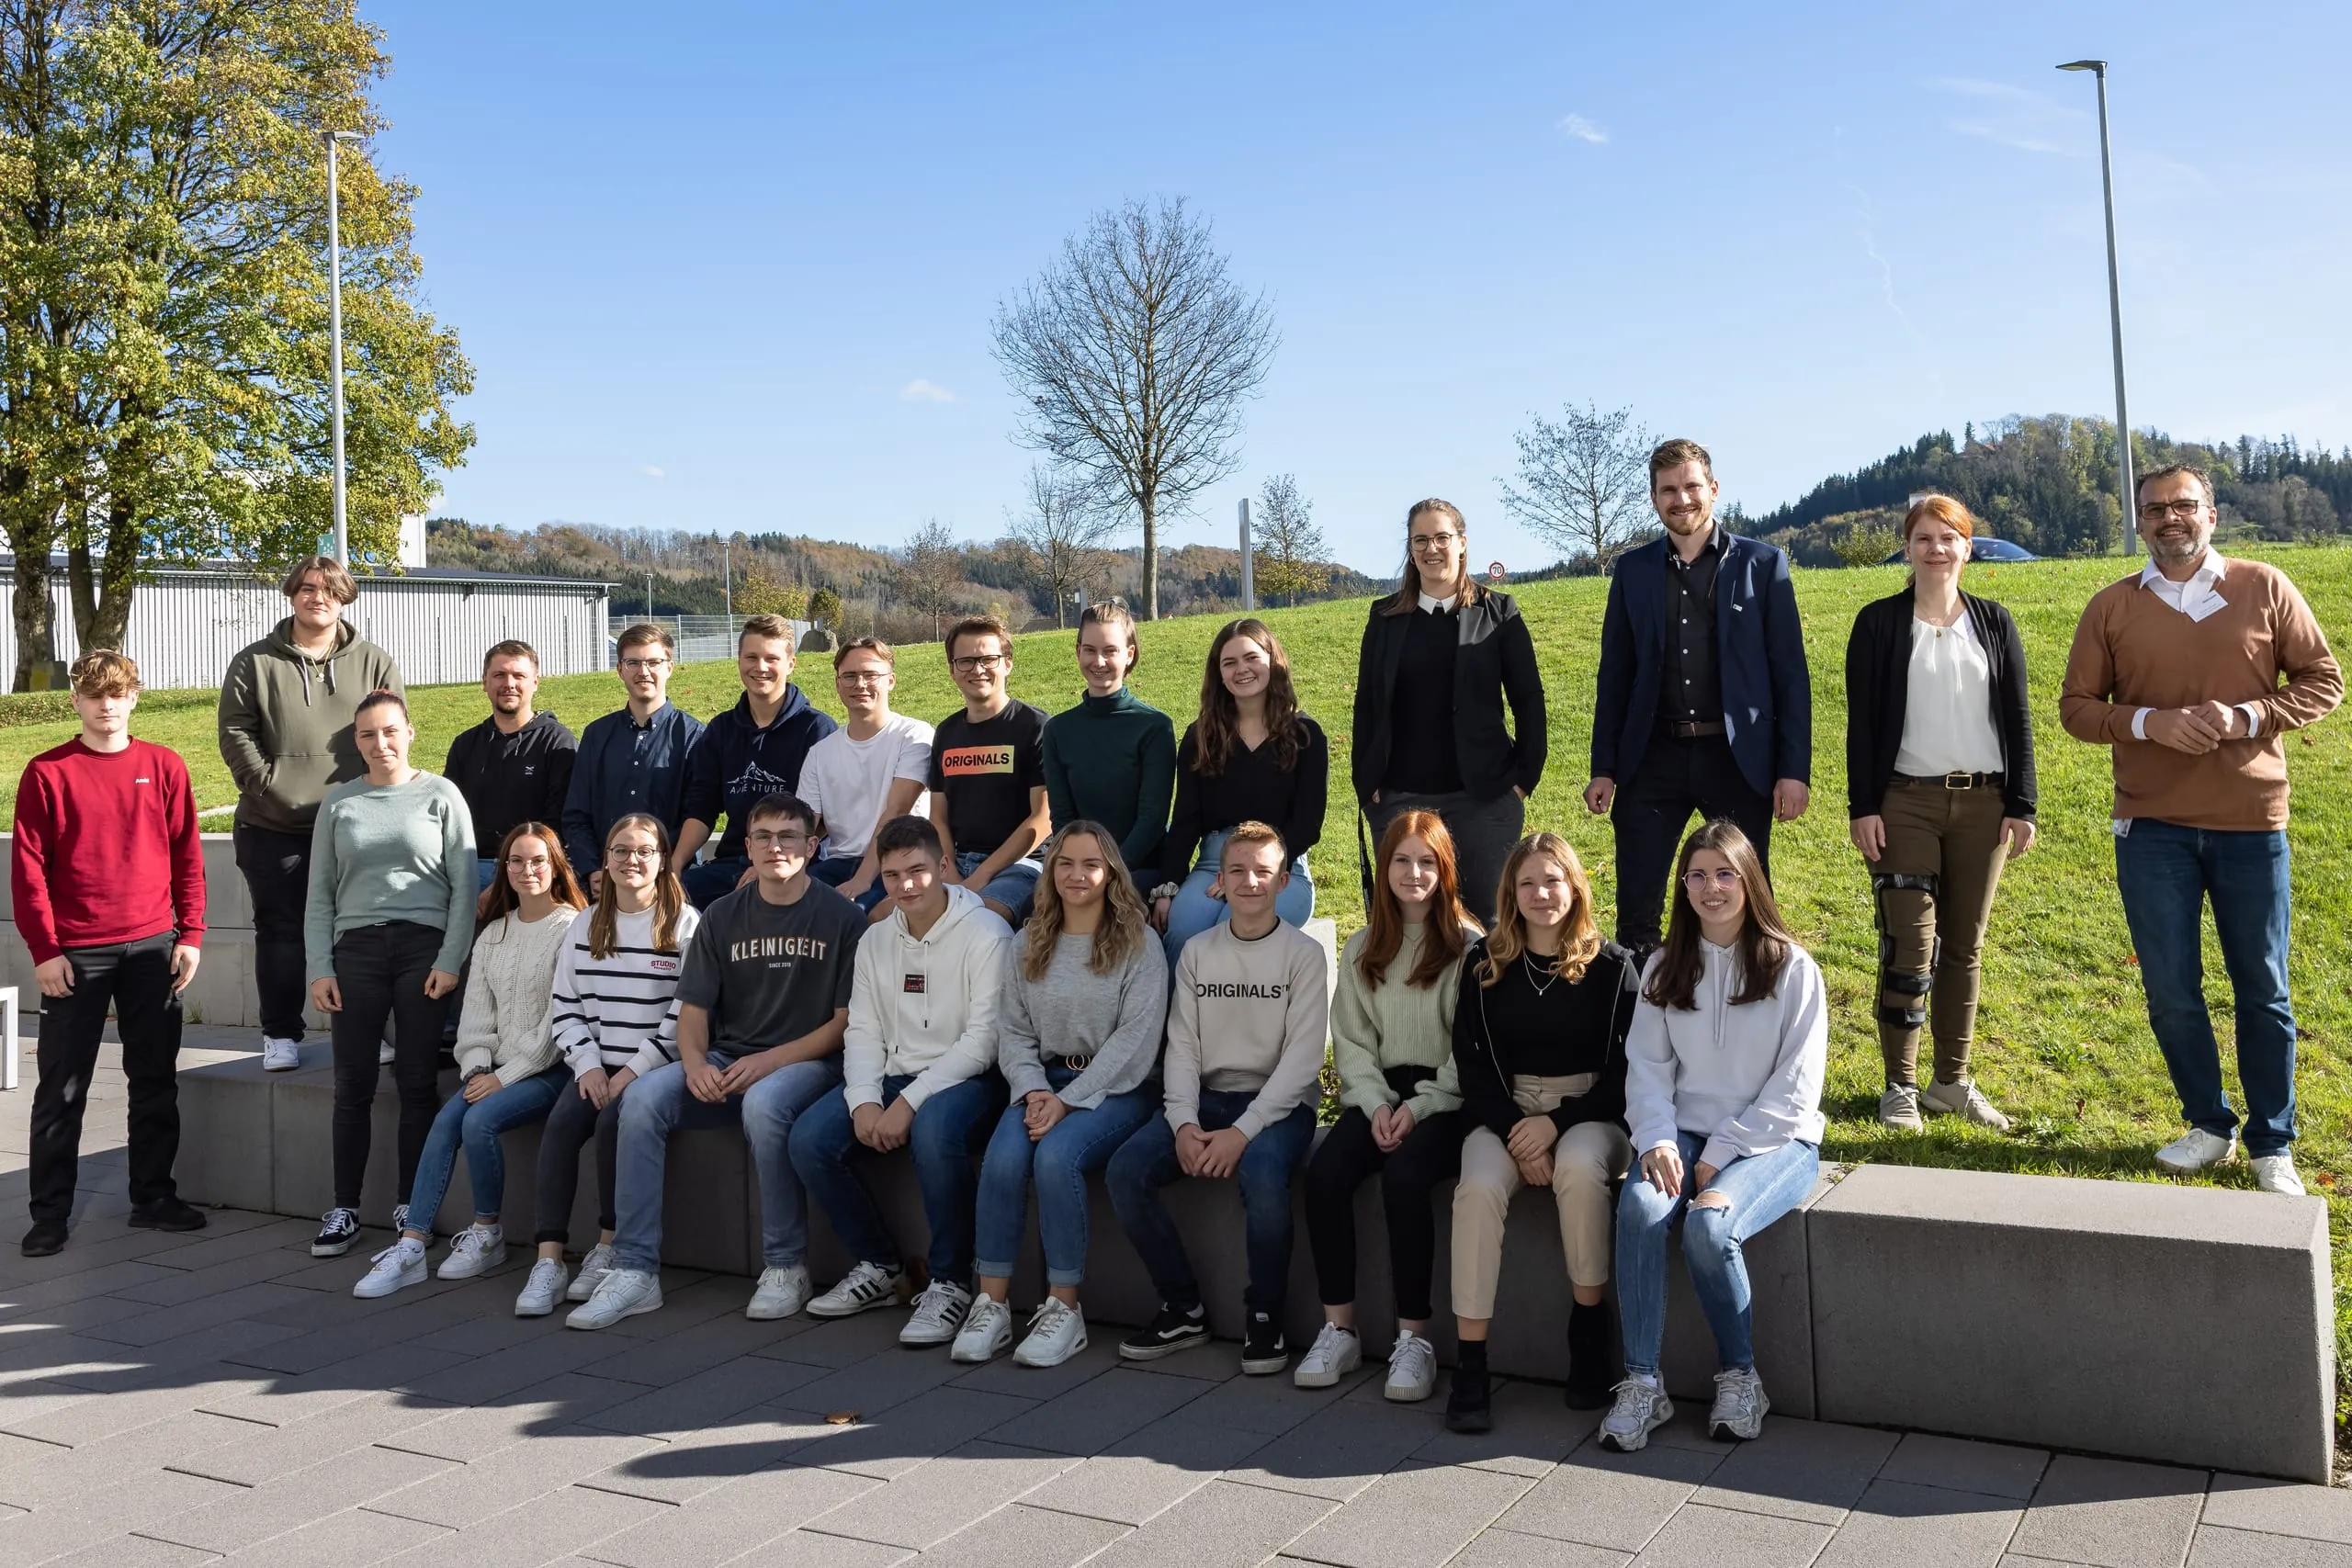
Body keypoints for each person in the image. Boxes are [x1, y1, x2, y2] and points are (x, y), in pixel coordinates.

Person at [2061, 463, 2342, 1196]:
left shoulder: (2265, 586)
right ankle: (2209, 1124)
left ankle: (2272, 1142)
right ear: (2139, 521)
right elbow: (2077, 708)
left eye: (2184, 505)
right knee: (2171, 990)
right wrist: (2150, 723)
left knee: (2264, 987)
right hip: (2151, 828)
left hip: (2251, 822)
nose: (2169, 518)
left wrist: (2246, 716)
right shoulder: (2112, 606)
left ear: (2211, 515)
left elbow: (2324, 680)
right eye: (2155, 508)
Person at [567, 792, 863, 1329]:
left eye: (789, 836)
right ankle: (634, 1270)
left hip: (809, 1063)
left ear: (812, 846)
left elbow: (843, 1024)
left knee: (765, 1104)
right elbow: (693, 1010)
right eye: (764, 837)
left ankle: (785, 1266)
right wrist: (696, 1064)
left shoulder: (842, 917)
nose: (776, 847)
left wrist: (770, 1062)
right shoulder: (722, 916)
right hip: (728, 1058)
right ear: (746, 846)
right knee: (642, 1099)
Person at [1601, 820, 1826, 1453]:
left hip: (1776, 1143)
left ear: (1749, 880)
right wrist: (1656, 1140)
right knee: (1640, 1207)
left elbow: (1795, 1091)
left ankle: (1741, 1377)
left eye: (1725, 873)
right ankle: (1643, 1384)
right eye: (1697, 875)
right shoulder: (1663, 966)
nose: (1711, 887)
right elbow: (1647, 1069)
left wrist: (1725, 1151)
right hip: (1682, 1135)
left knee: (1708, 1226)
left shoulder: (1791, 967)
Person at [1846, 495, 2038, 1134]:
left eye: (1948, 537)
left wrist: (2022, 803)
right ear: (1907, 548)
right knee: (1909, 943)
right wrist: (1863, 806)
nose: (1936, 548)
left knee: (1964, 946)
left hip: (1984, 803)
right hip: (1905, 801)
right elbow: (1861, 726)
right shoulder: (1878, 623)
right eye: (1924, 538)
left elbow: (2018, 718)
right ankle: (1900, 1085)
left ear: (1967, 547)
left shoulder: (1993, 622)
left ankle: (1950, 1083)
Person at [1109, 822, 1329, 1375]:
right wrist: (1184, 1123)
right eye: (1237, 871)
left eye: (1263, 872)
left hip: (1279, 1107)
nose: (1250, 881)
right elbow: (1182, 1046)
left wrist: (1242, 1132)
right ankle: (1182, 1308)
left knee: (1262, 1174)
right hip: (1207, 1098)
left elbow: (1302, 1063)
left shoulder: (1303, 955)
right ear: (1219, 882)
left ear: (1283, 881)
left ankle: (1265, 1318)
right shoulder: (1197, 952)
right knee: (1126, 1170)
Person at [13, 650, 209, 1258]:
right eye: (94, 694)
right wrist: (45, 951)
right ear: (76, 700)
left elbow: (188, 856)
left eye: (116, 693)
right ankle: (49, 1215)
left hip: (152, 948)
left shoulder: (164, 766)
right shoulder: (47, 772)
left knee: (154, 1081)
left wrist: (191, 934)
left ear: (134, 697)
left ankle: (153, 1198)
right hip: (76, 954)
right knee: (61, 1088)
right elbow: (28, 871)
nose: (106, 705)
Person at [1443, 832, 1640, 1431]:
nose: (1540, 893)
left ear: (1574, 887)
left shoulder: (1613, 967)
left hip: (1590, 1113)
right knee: (1478, 1187)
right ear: (1510, 893)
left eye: (1552, 880)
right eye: (1526, 882)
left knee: (1578, 1169)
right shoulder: (1485, 964)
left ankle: (1589, 1331)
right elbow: (1472, 1067)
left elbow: (1628, 1074)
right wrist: (1517, 1130)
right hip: (1506, 1110)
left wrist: (1554, 1125)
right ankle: (1470, 1361)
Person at [956, 821, 1169, 1369]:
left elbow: (1135, 1043)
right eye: (1065, 863)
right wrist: (1033, 1089)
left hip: (1118, 1087)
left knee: (1056, 1157)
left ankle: (1064, 1310)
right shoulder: (1029, 941)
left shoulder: (1139, 943)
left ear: (1111, 874)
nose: (1077, 875)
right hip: (1042, 1082)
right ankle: (991, 1305)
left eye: (1091, 865)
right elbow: (1013, 1030)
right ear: (1049, 872)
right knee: (1003, 1160)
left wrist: (1069, 1100)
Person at [790, 817, 1012, 1340]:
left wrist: (909, 1102)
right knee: (808, 1139)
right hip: (895, 1075)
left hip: (971, 1079)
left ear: (944, 866)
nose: (906, 885)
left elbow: (984, 1041)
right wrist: (865, 1099)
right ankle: (880, 1266)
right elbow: (863, 1029)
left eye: (917, 871)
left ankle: (951, 1283)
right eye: (891, 875)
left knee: (934, 1132)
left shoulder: (987, 934)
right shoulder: (875, 940)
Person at [1585, 441, 1811, 951]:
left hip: (1737, 759)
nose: (1681, 499)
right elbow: (1614, 676)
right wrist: (1604, 767)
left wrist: (1793, 770)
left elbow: (1790, 676)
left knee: (1747, 904)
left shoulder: (1763, 565)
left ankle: (1750, 995)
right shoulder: (1632, 571)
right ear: (1654, 498)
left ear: (1713, 489)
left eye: (1691, 486)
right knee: (1637, 912)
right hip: (1651, 758)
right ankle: (1641, 1001)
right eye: (1668, 490)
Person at [349, 825, 586, 1298]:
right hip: (493, 1069)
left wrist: (504, 1077)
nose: (527, 870)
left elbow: (559, 1023)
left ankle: (486, 1232)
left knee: (479, 1121)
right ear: (504, 869)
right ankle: (411, 1245)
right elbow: (476, 1018)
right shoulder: (494, 933)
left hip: (551, 1067)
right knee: (446, 1121)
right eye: (516, 861)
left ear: (556, 867)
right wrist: (478, 1069)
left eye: (538, 861)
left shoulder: (573, 928)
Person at [1295, 811, 1476, 1403]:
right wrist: (1374, 1104)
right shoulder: (1362, 945)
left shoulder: (1468, 948)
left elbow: (1469, 1050)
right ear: (1385, 867)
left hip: (1445, 1101)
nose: (1413, 873)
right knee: (1325, 1174)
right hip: (1380, 1095)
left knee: (1405, 1178)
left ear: (1444, 870)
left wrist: (1419, 1110)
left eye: (1427, 862)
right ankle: (1339, 1329)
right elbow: (1351, 1041)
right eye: (1401, 860)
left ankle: (1414, 1339)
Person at [303, 690, 477, 1259]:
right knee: (351, 1084)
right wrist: (320, 966)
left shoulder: (441, 794)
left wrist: (450, 959)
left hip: (422, 949)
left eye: (389, 731)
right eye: (367, 734)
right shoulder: (340, 803)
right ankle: (344, 1209)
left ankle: (411, 1205)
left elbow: (463, 887)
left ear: (410, 732)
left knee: (416, 1081)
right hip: (355, 951)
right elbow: (320, 894)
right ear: (355, 742)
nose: (380, 743)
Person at [219, 555, 402, 1072]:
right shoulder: (255, 661)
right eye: (306, 588)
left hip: (356, 825)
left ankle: (365, 1028)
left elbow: (389, 731)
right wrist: (269, 788)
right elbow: (235, 732)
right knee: (280, 932)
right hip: (272, 825)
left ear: (344, 598)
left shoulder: (374, 661)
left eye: (328, 589)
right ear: (291, 595)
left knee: (360, 932)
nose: (316, 597)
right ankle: (280, 1034)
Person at [519, 815, 701, 1314]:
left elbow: (684, 1015)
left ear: (663, 860)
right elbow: (565, 1005)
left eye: (644, 851)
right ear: (606, 859)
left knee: (612, 1126)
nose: (631, 860)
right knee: (561, 1125)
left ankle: (607, 1247)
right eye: (620, 851)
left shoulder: (684, 923)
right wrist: (588, 1065)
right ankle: (550, 1260)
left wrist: (631, 1073)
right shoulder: (586, 922)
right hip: (597, 1065)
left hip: (652, 1070)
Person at [1352, 499, 1546, 926]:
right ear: (1410, 549)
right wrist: (1367, 784)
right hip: (1400, 801)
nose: (1432, 549)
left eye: (1442, 537)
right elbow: (1366, 703)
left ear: (1462, 543)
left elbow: (1529, 699)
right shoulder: (1384, 618)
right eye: (1420, 540)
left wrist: (1523, 780)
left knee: (1484, 927)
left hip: (1484, 801)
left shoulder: (1499, 612)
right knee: (1407, 927)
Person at [1153, 619, 1327, 964]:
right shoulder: (1200, 737)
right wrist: (1168, 887)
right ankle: (1182, 1003)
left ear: (1272, 661)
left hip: (1281, 867)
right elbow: (1185, 821)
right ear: (1218, 674)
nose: (1241, 669)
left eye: (1251, 658)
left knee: (1233, 927)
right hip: (1213, 864)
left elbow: (1307, 826)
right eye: (1229, 662)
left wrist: (1251, 869)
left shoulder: (1305, 735)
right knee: (1184, 930)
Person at [677, 615, 838, 908]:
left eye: (771, 658)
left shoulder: (817, 729)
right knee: (665, 898)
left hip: (798, 866)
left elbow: (827, 816)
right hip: (732, 863)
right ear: (739, 661)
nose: (760, 667)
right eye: (751, 657)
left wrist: (772, 865)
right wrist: (674, 868)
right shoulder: (721, 730)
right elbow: (702, 808)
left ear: (791, 664)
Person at [561, 623, 706, 893]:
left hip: (671, 881)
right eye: (633, 662)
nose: (644, 671)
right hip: (604, 882)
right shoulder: (596, 735)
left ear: (670, 667)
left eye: (653, 662)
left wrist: (669, 867)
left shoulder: (694, 736)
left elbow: (698, 815)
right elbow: (576, 814)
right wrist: (592, 869)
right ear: (620, 669)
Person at [927, 615, 1052, 925]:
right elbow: (938, 817)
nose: (977, 669)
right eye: (966, 661)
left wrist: (982, 875)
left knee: (977, 920)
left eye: (988, 659)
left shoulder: (1035, 726)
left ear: (1007, 664)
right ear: (952, 670)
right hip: (956, 863)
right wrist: (950, 872)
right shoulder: (946, 732)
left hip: (1021, 865)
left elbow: (1043, 819)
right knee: (885, 916)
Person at [1042, 603, 1177, 888]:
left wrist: (1110, 872)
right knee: (1032, 909)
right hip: (1079, 872)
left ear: (1129, 654)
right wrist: (1082, 870)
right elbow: (1063, 818)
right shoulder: (1057, 730)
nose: (1099, 661)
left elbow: (1152, 820)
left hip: (1140, 868)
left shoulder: (1154, 727)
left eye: (1110, 651)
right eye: (1090, 650)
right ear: (1078, 651)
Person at [797, 637, 933, 915]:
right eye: (849, 676)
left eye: (871, 675)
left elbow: (897, 811)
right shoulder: (820, 753)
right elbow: (805, 825)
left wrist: (862, 879)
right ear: (837, 684)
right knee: (779, 908)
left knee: (850, 916)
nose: (860, 684)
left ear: (891, 681)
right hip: (838, 864)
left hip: (900, 861)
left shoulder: (915, 736)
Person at [444, 641, 579, 896]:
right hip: (471, 869)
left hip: (534, 872)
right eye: (499, 675)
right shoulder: (466, 745)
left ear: (535, 682)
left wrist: (507, 881)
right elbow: (449, 819)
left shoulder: (558, 743)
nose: (509, 684)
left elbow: (559, 823)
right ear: (484, 682)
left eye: (519, 676)